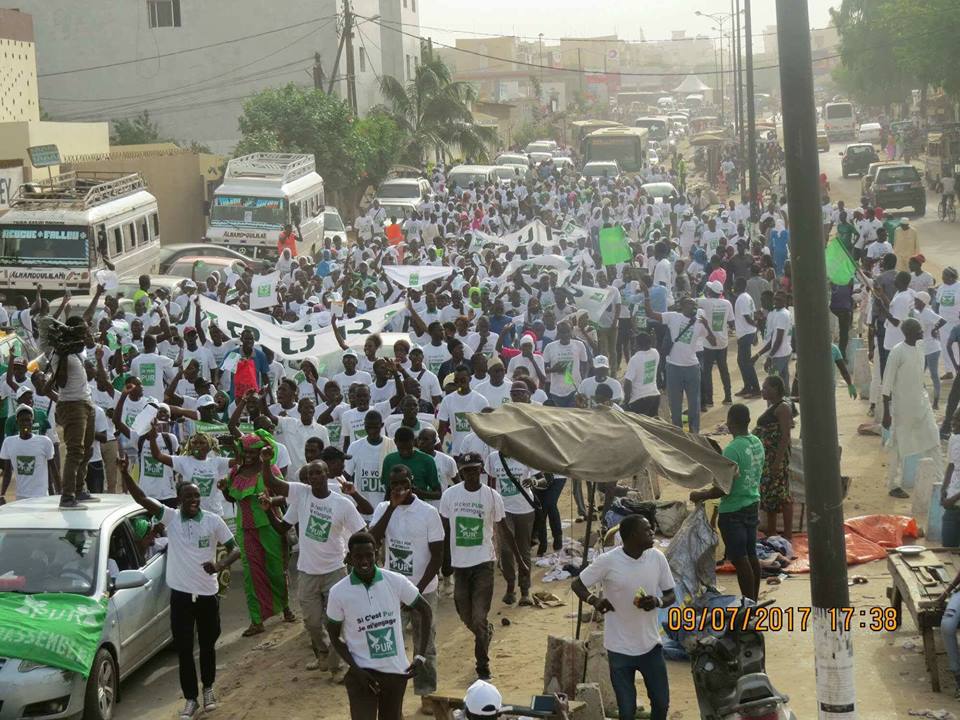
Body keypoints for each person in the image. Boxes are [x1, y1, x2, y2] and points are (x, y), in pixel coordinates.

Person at [120, 454, 241, 720]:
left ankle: (208, 689)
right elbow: (142, 499)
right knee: (185, 650)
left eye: (196, 496)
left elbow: (235, 550)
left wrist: (219, 566)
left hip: (209, 594)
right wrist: (126, 474)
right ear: (180, 500)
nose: (194, 501)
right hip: (182, 598)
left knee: (208, 645)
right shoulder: (171, 519)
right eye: (188, 497)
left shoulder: (213, 521)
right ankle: (190, 700)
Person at [260, 457, 367, 674]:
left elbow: (363, 533)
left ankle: (338, 667)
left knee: (334, 621)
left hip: (335, 571)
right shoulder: (301, 496)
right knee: (312, 622)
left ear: (327, 474)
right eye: (311, 474)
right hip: (307, 571)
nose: (315, 477)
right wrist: (267, 508)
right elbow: (282, 526)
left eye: (319, 473)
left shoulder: (342, 503)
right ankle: (323, 653)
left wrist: (351, 557)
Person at [572, 515, 676, 720]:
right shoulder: (608, 561)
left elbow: (670, 594)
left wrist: (657, 602)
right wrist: (594, 600)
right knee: (626, 710)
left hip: (650, 645)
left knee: (661, 704)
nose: (652, 532)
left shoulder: (657, 557)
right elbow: (578, 584)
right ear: (632, 535)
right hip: (619, 648)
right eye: (647, 529)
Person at [326, 530, 434, 720]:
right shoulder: (338, 592)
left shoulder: (395, 581)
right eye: (358, 556)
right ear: (349, 558)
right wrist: (357, 669)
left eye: (369, 555)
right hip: (362, 675)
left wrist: (420, 655)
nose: (365, 561)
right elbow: (334, 636)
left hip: (395, 673)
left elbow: (425, 611)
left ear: (376, 553)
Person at [439, 451, 525, 680]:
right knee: (465, 615)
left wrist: (519, 560)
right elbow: (444, 531)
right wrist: (442, 561)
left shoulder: (492, 496)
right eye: (466, 471)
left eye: (475, 470)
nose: (470, 475)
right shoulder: (449, 496)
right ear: (461, 471)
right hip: (460, 566)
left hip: (484, 564)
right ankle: (485, 632)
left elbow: (504, 529)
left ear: (481, 471)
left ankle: (482, 666)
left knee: (478, 616)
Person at [370, 466, 445, 710]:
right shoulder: (383, 509)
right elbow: (373, 541)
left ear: (411, 482)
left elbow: (437, 557)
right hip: (392, 590)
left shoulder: (428, 512)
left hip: (423, 590)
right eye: (394, 484)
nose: (399, 488)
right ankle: (393, 696)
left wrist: (416, 591)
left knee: (425, 642)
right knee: (391, 643)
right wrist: (391, 508)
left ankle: (426, 694)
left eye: (403, 482)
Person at [221, 433, 293, 636]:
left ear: (262, 451)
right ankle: (256, 620)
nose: (250, 455)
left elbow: (284, 496)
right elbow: (231, 497)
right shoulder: (235, 472)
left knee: (276, 570)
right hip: (245, 528)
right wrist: (224, 488)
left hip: (269, 525)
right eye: (247, 451)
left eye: (254, 451)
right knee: (251, 575)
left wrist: (270, 501)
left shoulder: (270, 470)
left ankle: (285, 607)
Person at [690, 404, 764, 599]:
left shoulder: (732, 450)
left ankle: (748, 605)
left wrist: (701, 495)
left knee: (740, 560)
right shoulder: (756, 442)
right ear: (748, 421)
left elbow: (723, 487)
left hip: (733, 511)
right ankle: (753, 602)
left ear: (729, 423)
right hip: (752, 503)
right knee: (751, 555)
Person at [882, 318, 943, 499]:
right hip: (903, 409)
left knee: (933, 440)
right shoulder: (897, 352)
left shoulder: (920, 346)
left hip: (922, 405)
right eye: (918, 330)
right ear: (908, 332)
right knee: (898, 447)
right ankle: (893, 485)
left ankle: (939, 484)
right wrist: (886, 412)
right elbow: (887, 384)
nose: (921, 332)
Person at [644, 296, 717, 434]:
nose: (693, 306)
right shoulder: (673, 317)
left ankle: (694, 432)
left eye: (695, 304)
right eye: (690, 303)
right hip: (673, 368)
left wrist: (707, 325)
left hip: (692, 368)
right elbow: (650, 314)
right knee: (675, 405)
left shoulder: (700, 323)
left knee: (694, 404)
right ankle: (678, 433)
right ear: (682, 306)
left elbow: (713, 343)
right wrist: (647, 295)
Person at [49, 316, 97, 508]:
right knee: (75, 451)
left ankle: (79, 489)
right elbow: (61, 382)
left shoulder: (76, 350)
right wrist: (62, 356)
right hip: (72, 405)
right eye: (83, 331)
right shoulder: (60, 354)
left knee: (88, 449)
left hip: (85, 402)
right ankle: (67, 496)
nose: (86, 334)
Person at [754, 375, 794, 538]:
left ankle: (788, 534)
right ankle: (771, 530)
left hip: (776, 458)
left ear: (775, 389)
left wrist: (777, 462)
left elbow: (785, 436)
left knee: (782, 495)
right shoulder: (774, 406)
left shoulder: (783, 407)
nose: (762, 390)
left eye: (766, 387)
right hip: (768, 457)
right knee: (770, 494)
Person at [0, 404, 58, 503]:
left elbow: (53, 470)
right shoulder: (9, 443)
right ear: (17, 422)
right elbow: (7, 472)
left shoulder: (44, 441)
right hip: (21, 498)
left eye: (28, 420)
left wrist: (59, 493)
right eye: (22, 421)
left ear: (33, 422)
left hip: (41, 496)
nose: (25, 423)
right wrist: (2, 495)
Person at [621, 331, 661, 417]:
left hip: (639, 400)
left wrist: (626, 401)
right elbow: (653, 346)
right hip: (655, 396)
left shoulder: (635, 359)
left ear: (637, 345)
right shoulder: (655, 353)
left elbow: (628, 382)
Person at [941, 413, 960, 548]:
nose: (953, 422)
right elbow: (951, 465)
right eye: (953, 418)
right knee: (948, 546)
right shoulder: (954, 439)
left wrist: (953, 498)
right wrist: (944, 489)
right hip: (952, 503)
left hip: (954, 500)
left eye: (958, 420)